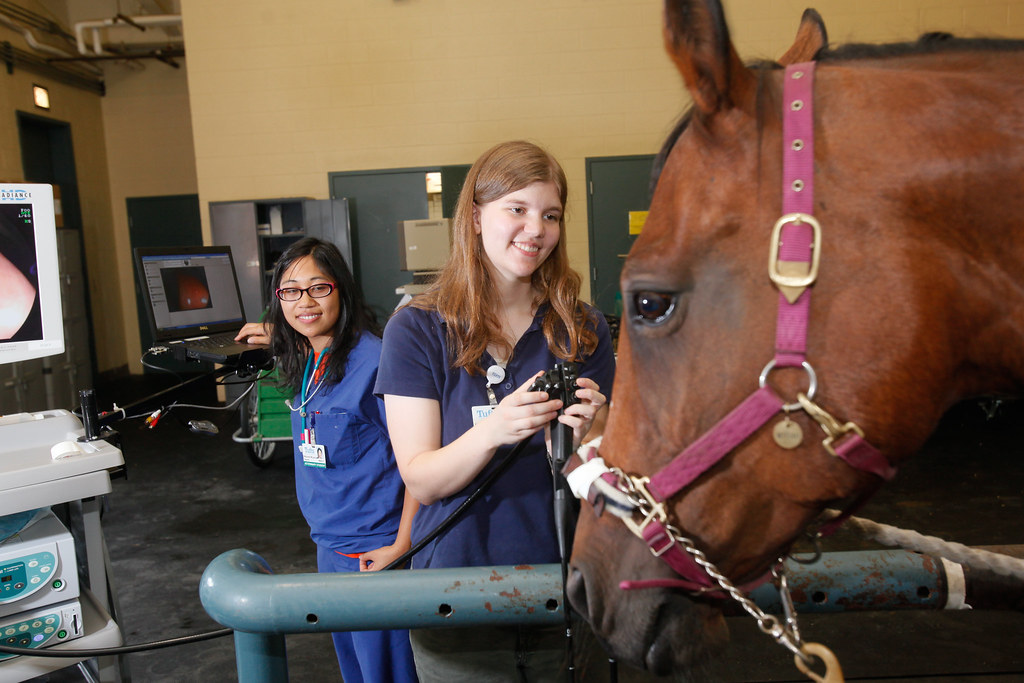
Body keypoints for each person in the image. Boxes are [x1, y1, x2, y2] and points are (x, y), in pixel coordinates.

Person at [374, 140, 615, 682]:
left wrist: (594, 434)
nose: (536, 229)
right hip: (458, 596)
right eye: (518, 209)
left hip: (568, 588)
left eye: (550, 215)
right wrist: (497, 429)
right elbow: (423, 478)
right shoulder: (417, 330)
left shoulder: (582, 328)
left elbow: (604, 473)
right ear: (476, 217)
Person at [236, 237, 418, 683]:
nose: (305, 302)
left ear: (342, 290)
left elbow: (419, 462)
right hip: (330, 544)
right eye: (290, 292)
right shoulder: (308, 355)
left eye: (318, 288)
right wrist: (275, 334)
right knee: (355, 670)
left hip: (378, 547)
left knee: (387, 674)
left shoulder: (376, 362)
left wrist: (403, 544)